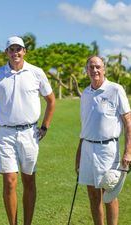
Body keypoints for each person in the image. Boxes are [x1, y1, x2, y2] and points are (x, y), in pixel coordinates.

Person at [0, 36, 55, 225]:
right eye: (11, 49)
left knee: (29, 180)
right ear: (6, 52)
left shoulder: (36, 72)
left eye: (19, 49)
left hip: (30, 133)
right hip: (5, 134)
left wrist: (45, 126)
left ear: (25, 51)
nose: (15, 53)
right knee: (9, 181)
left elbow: (51, 100)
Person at [75, 56, 131, 225]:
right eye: (91, 67)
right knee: (92, 194)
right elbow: (85, 127)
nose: (95, 70)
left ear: (104, 69)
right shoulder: (85, 93)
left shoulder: (115, 90)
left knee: (109, 194)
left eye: (98, 67)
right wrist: (79, 153)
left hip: (108, 150)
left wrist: (128, 151)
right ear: (87, 70)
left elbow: (128, 122)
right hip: (87, 149)